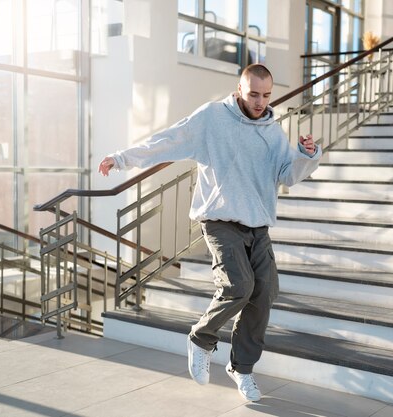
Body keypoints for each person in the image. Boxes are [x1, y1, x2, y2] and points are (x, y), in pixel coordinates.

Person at [98, 64, 321, 402]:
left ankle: (241, 368)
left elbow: (288, 174)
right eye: (253, 94)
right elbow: (169, 140)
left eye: (266, 95)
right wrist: (122, 158)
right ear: (239, 90)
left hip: (257, 225)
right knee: (238, 286)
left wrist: (307, 155)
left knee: (264, 292)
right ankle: (201, 338)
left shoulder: (273, 131)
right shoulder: (212, 118)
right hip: (219, 220)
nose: (260, 102)